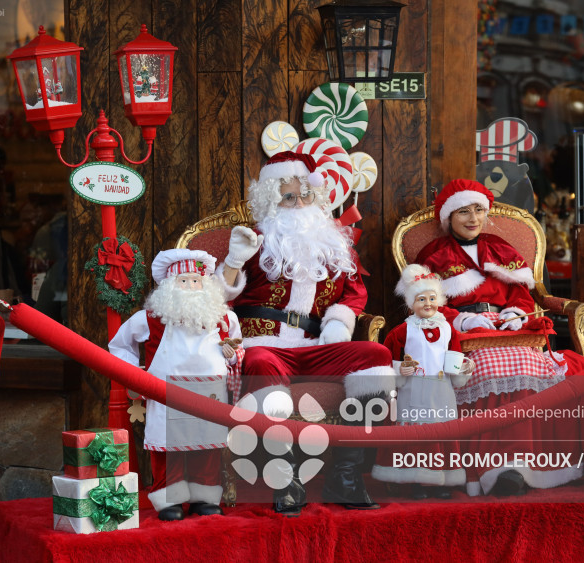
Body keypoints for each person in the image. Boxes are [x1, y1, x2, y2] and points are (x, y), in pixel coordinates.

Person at [217, 151, 395, 515]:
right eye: (288, 197)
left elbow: (353, 291)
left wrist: (337, 323)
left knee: (376, 357)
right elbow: (218, 297)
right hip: (265, 344)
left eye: (306, 195)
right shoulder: (256, 240)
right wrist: (234, 261)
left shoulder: (334, 243)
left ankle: (344, 476)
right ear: (272, 201)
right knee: (263, 362)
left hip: (316, 347)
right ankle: (285, 479)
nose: (299, 204)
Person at [416, 178, 584, 497]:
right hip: (462, 329)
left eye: (479, 210)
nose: (473, 218)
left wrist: (515, 313)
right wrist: (463, 319)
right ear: (449, 217)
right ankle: (498, 468)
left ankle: (520, 466)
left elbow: (524, 294)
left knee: (526, 363)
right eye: (464, 211)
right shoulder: (434, 254)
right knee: (490, 366)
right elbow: (424, 302)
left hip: (510, 325)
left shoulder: (499, 247)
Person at [109, 249, 244, 521]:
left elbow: (239, 348)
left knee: (206, 447)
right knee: (168, 449)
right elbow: (120, 345)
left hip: (209, 395)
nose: (192, 287)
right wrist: (136, 376)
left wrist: (233, 357)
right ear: (171, 287)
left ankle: (204, 498)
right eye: (184, 282)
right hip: (166, 394)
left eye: (196, 281)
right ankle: (169, 500)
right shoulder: (150, 319)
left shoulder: (225, 319)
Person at [371, 264, 473, 499]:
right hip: (413, 390)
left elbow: (454, 359)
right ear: (410, 304)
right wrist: (399, 369)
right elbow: (388, 359)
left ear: (440, 300)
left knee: (440, 430)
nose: (427, 303)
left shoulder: (448, 330)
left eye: (432, 298)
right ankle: (416, 480)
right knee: (417, 432)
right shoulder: (401, 331)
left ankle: (441, 480)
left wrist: (463, 368)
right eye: (421, 299)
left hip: (441, 389)